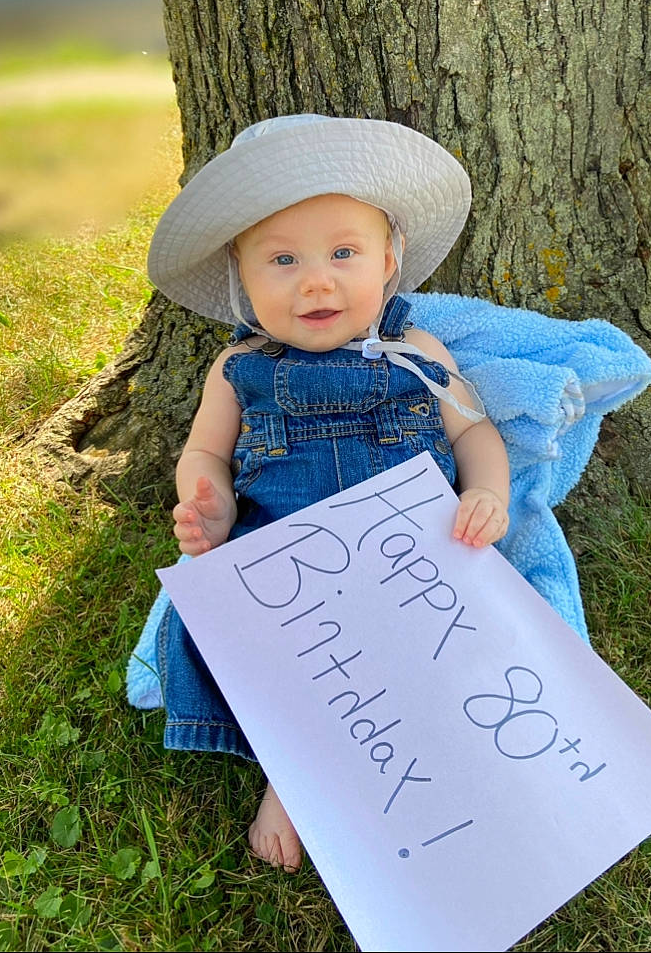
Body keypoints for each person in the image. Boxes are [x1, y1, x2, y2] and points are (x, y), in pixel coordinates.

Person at [146, 113, 511, 873]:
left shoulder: (418, 351)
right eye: (281, 259)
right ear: (241, 280)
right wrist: (207, 502)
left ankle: (365, 769)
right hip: (288, 565)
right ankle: (298, 769)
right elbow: (204, 452)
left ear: (389, 259)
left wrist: (489, 496)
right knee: (260, 641)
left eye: (343, 252)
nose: (316, 279)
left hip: (407, 556)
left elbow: (473, 433)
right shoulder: (239, 366)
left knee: (439, 641)